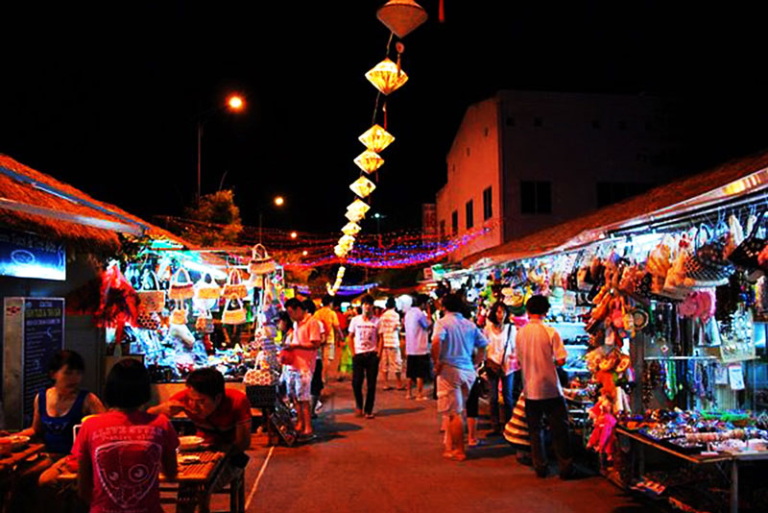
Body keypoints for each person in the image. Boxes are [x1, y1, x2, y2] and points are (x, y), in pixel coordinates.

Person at [74, 359, 178, 513]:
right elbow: (171, 474)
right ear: (145, 391)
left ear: (109, 389)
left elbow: (83, 488)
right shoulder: (161, 424)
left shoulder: (90, 426)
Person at [147, 367, 252, 501]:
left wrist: (217, 455)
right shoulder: (184, 399)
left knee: (197, 490)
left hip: (229, 455)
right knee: (186, 488)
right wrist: (159, 410)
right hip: (198, 451)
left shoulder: (237, 401)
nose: (194, 406)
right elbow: (146, 417)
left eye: (201, 401)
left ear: (218, 398)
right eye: (191, 400)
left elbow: (243, 443)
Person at [515, 294, 573, 479]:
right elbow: (561, 360)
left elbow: (519, 359)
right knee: (559, 430)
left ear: (528, 311)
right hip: (551, 389)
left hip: (530, 389)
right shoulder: (550, 332)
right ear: (546, 311)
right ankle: (565, 468)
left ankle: (540, 466)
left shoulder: (520, 333)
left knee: (535, 430)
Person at [431, 293, 488, 461]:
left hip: (450, 371)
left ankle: (459, 450)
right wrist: (476, 363)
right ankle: (449, 446)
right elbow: (483, 345)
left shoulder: (442, 323)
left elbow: (436, 342)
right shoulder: (469, 325)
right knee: (456, 411)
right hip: (468, 372)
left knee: (454, 413)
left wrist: (437, 362)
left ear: (444, 307)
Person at [283, 297, 322, 439]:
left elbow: (316, 344)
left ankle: (308, 428)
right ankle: (300, 424)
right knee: (296, 398)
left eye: (291, 312)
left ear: (299, 309)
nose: (290, 316)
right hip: (294, 366)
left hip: (305, 367)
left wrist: (296, 346)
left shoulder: (312, 323)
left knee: (304, 399)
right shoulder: (296, 324)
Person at [483, 301, 519, 434]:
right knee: (493, 397)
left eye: (503, 312)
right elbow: (484, 346)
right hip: (492, 365)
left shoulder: (511, 328)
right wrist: (488, 361)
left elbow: (515, 348)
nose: (501, 315)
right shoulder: (488, 329)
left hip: (507, 367)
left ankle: (508, 425)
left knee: (507, 397)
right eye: (498, 312)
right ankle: (495, 425)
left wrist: (510, 361)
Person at [348, 295, 380, 419]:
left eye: (369, 304)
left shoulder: (377, 321)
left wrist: (379, 353)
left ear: (372, 306)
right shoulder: (355, 320)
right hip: (359, 355)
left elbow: (380, 337)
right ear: (362, 306)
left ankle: (368, 409)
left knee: (371, 384)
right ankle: (359, 406)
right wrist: (353, 352)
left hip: (372, 355)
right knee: (356, 383)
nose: (367, 307)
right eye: (365, 304)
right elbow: (350, 336)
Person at [404, 294, 432, 400]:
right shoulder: (420, 314)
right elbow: (428, 325)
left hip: (410, 347)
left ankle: (408, 393)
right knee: (420, 372)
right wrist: (429, 313)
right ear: (423, 303)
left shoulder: (408, 313)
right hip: (420, 347)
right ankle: (419, 394)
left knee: (410, 372)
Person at [314, 295, 343, 384]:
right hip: (329, 338)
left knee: (319, 358)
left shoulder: (317, 313)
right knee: (327, 358)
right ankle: (323, 375)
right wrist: (341, 336)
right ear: (331, 303)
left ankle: (320, 375)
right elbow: (336, 326)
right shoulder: (332, 313)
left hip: (319, 338)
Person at [378, 297, 405, 391]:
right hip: (393, 341)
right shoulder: (396, 315)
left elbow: (380, 332)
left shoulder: (382, 316)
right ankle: (398, 383)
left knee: (385, 364)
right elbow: (397, 328)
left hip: (384, 342)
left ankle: (386, 384)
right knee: (396, 363)